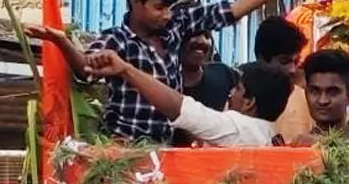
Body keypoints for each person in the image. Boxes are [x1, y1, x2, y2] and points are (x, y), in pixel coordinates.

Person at [28, 0, 327, 142]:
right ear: (135, 2)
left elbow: (232, 10)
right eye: (159, 7)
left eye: (171, 7)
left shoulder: (177, 24)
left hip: (167, 147)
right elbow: (84, 69)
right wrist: (61, 41)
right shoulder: (115, 40)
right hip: (126, 148)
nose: (167, 15)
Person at [86, 49, 291, 147]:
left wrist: (126, 70)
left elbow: (184, 110)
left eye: (237, 88)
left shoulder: (242, 128)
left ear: (249, 102)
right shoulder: (268, 133)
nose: (230, 93)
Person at [254, 16, 315, 144]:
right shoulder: (241, 96)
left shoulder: (306, 96)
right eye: (284, 61)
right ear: (262, 59)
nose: (292, 69)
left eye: (296, 61)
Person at [297, 50, 349, 144]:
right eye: (314, 91)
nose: (323, 101)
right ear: (306, 94)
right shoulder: (300, 147)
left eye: (332, 92)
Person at [178, 33, 238, 112]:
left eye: (206, 36)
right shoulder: (164, 87)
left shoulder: (224, 74)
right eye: (192, 35)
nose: (202, 40)